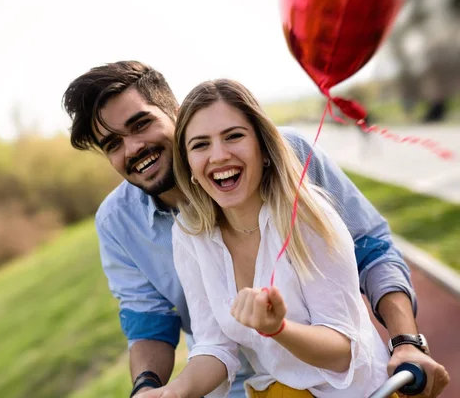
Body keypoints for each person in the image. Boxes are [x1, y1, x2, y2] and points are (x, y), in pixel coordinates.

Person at [62, 60, 449, 397]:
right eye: (113, 144)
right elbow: (160, 326)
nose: (133, 149)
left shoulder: (296, 180)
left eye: (142, 123)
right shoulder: (169, 232)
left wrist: (406, 341)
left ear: (176, 116)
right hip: (237, 387)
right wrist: (156, 390)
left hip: (345, 383)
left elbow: (371, 251)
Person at [138, 78, 393, 397]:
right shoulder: (189, 236)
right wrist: (174, 392)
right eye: (200, 144)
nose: (218, 156)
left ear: (264, 150)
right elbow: (216, 346)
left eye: (233, 136)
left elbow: (343, 354)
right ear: (188, 164)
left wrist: (278, 329)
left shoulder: (309, 217)